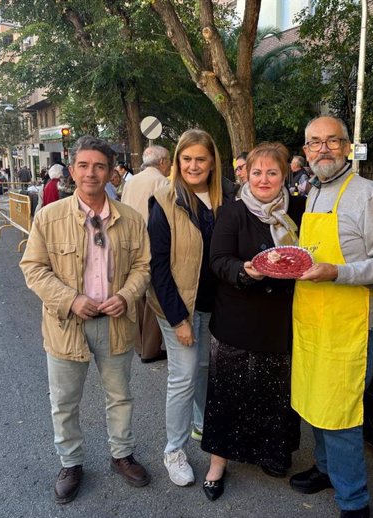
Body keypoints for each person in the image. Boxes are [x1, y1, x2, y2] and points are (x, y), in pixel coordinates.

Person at [19, 135, 152, 505]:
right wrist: (71, 299)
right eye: (83, 165)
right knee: (64, 401)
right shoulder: (49, 217)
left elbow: (143, 266)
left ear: (111, 171)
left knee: (120, 396)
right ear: (72, 170)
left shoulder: (131, 219)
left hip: (116, 323)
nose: (91, 172)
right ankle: (71, 463)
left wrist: (125, 296)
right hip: (66, 325)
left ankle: (122, 455)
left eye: (99, 166)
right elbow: (33, 268)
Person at [289, 116, 373, 518]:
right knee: (315, 401)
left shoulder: (366, 194)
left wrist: (338, 272)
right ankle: (328, 470)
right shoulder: (312, 191)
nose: (323, 149)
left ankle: (354, 500)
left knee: (342, 414)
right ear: (307, 150)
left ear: (348, 147)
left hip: (350, 323)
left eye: (333, 141)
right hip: (312, 317)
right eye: (315, 143)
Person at [201, 142, 304, 501]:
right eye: (256, 172)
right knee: (228, 393)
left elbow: (308, 255)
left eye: (272, 172)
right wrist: (245, 271)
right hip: (237, 317)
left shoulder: (299, 210)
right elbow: (217, 260)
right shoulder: (234, 212)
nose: (264, 179)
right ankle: (218, 463)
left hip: (280, 320)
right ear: (246, 174)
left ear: (283, 176)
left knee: (275, 392)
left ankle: (272, 452)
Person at [148, 129, 235, 488]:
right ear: (177, 163)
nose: (194, 165)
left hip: (216, 305)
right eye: (187, 159)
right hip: (176, 305)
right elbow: (157, 266)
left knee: (203, 368)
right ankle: (174, 450)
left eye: (201, 158)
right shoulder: (164, 200)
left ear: (212, 161)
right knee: (183, 377)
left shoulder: (229, 197)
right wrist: (178, 319)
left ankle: (202, 423)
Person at [122, 146, 171, 362]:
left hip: (130, 244)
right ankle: (151, 349)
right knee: (154, 297)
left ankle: (140, 345)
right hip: (152, 244)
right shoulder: (162, 182)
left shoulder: (132, 181)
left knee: (138, 296)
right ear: (161, 162)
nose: (170, 165)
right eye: (169, 160)